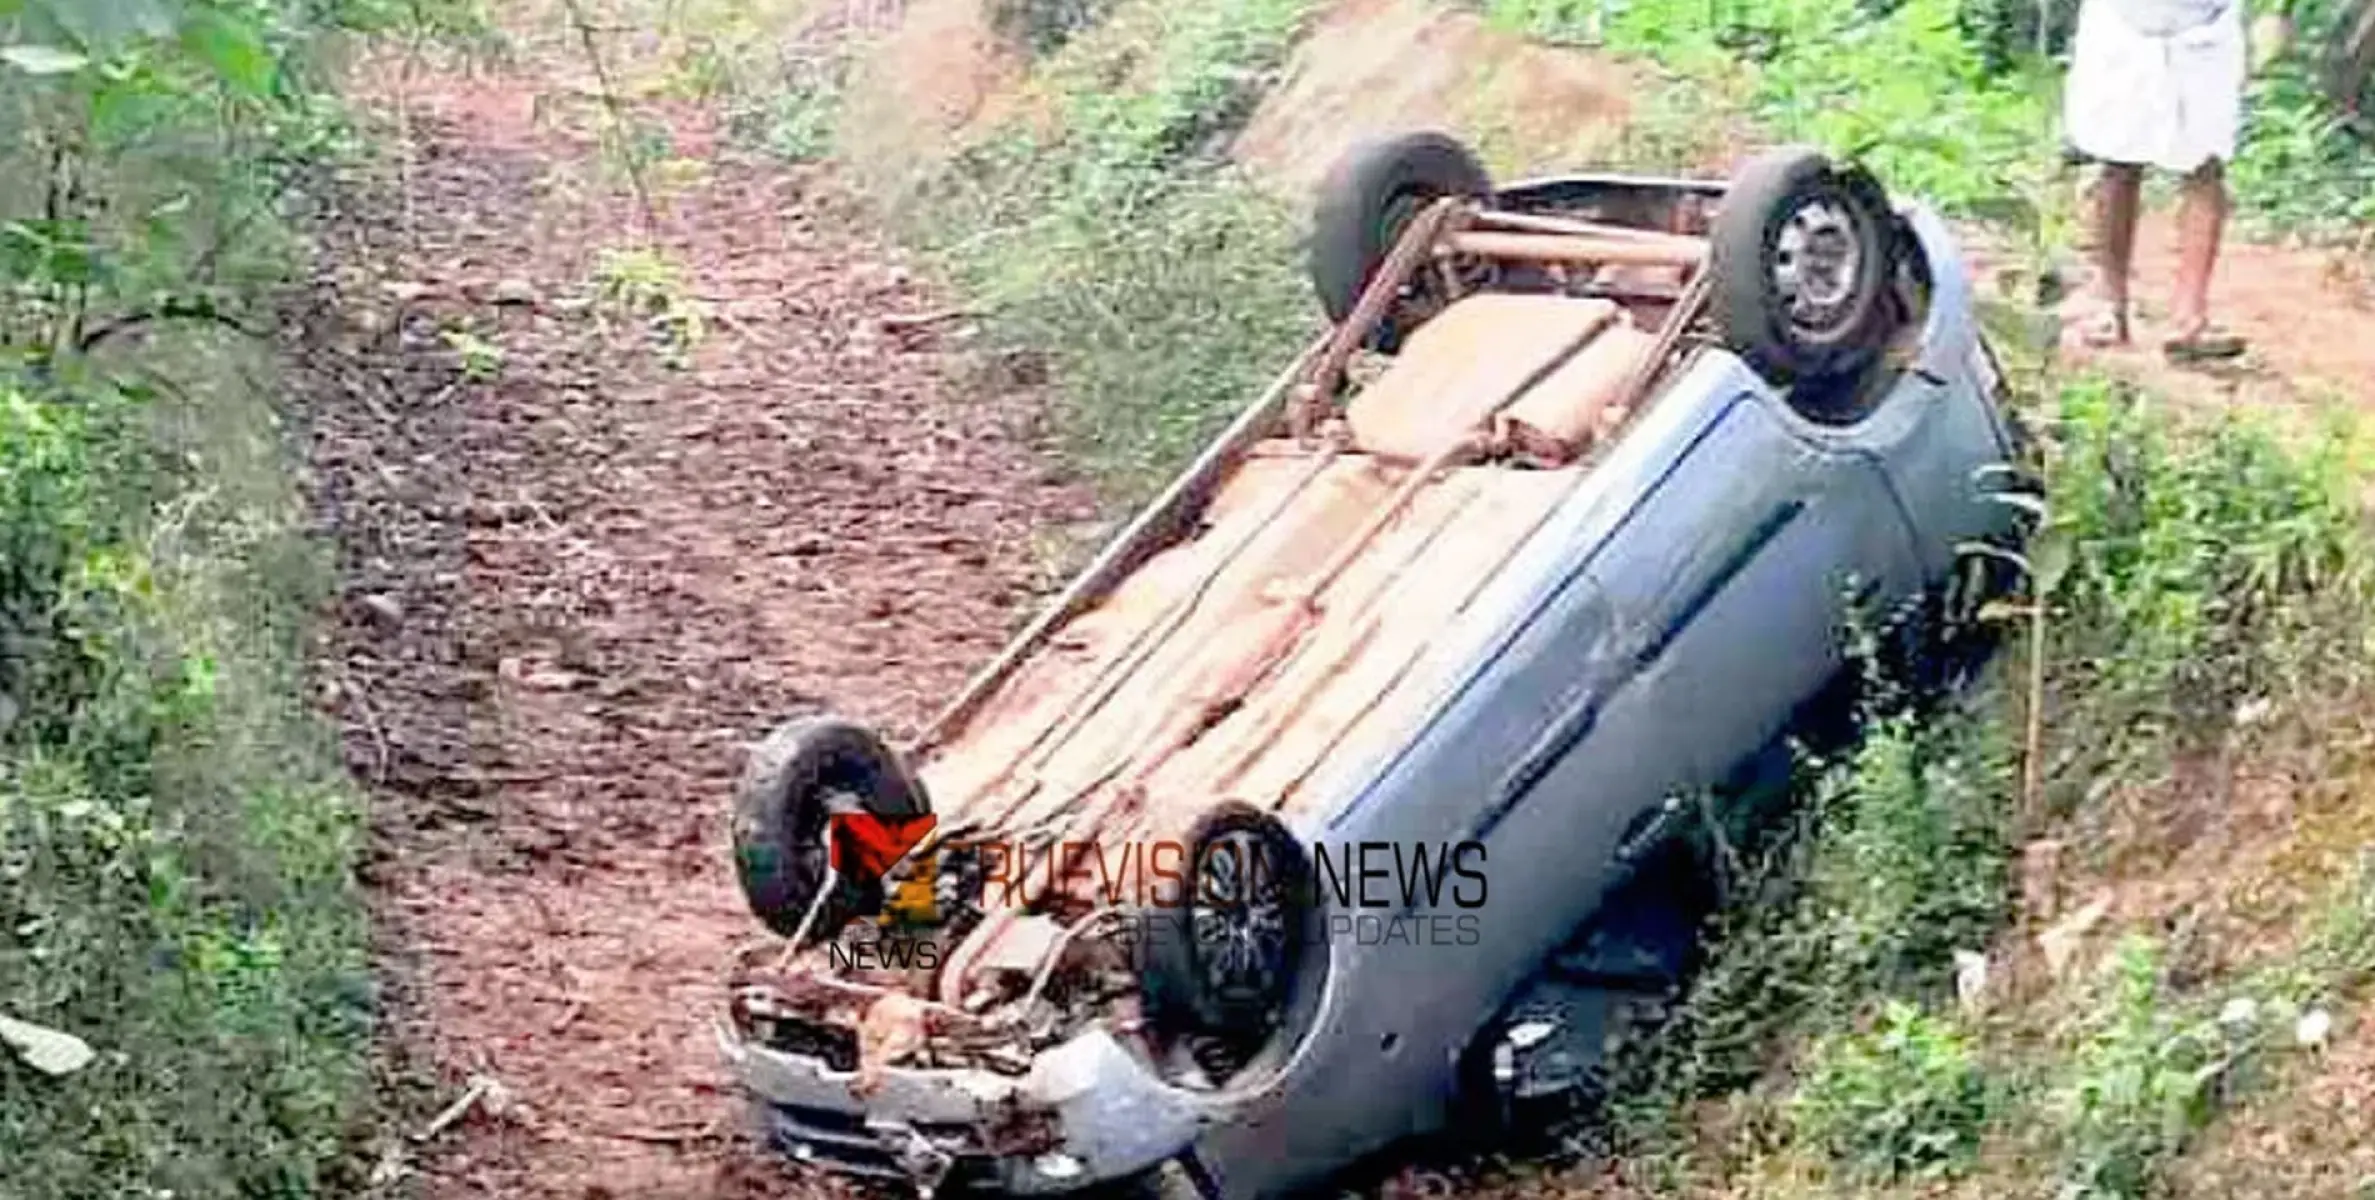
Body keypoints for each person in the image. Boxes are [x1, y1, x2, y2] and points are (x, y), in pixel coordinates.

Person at [2062, 0, 2250, 361]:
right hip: (2122, 19)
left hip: (2207, 21)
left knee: (2205, 164)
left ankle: (2190, 317)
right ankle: (2109, 304)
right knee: (2117, 161)